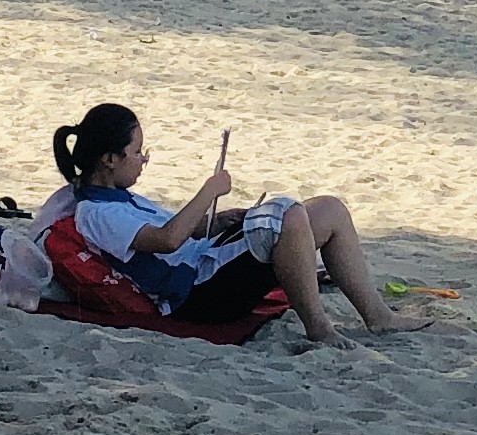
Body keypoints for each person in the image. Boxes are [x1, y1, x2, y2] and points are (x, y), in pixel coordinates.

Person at [51, 102, 418, 347]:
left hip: (204, 262)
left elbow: (179, 232)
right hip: (194, 291)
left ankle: (378, 316)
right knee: (286, 215)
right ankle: (318, 327)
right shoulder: (96, 214)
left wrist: (217, 222)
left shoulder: (119, 197)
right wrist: (208, 192)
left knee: (327, 210)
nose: (143, 160)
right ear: (110, 159)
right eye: (137, 153)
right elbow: (166, 240)